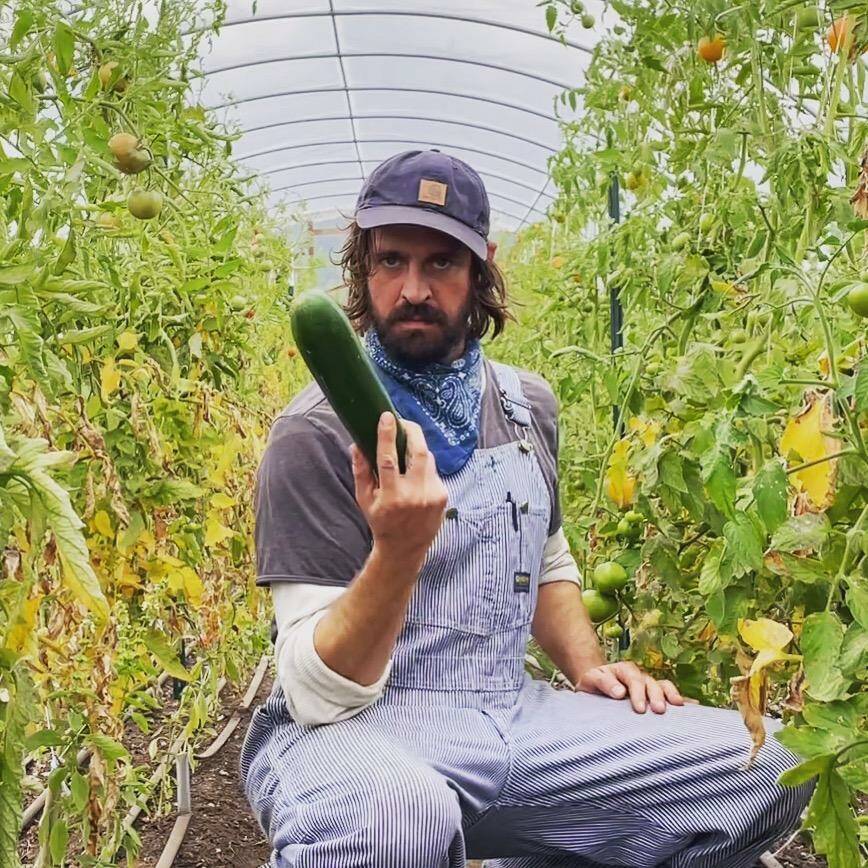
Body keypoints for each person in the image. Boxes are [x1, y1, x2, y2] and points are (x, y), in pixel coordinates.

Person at [240, 150, 812, 867]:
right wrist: (398, 551)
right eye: (391, 262)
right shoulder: (316, 433)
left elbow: (544, 556)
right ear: (362, 268)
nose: (412, 288)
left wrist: (587, 669)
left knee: (774, 764)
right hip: (356, 733)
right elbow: (316, 692)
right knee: (398, 821)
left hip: (512, 711)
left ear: (482, 269)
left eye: (441, 264)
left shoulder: (525, 405)